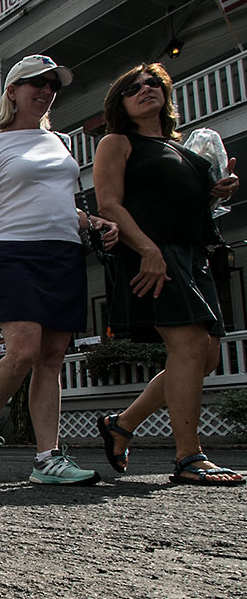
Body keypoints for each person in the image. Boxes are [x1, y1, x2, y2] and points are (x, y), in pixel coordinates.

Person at [0, 55, 119, 485]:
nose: (47, 90)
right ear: (12, 91)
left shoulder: (61, 141)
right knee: (24, 351)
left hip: (64, 253)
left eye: (53, 84)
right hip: (12, 252)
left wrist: (96, 223)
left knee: (51, 358)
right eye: (36, 82)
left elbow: (66, 203)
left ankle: (46, 459)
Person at [93, 62, 244, 486]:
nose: (145, 89)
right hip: (152, 253)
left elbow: (186, 203)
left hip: (193, 254)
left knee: (206, 356)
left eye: (153, 83)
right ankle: (189, 457)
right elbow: (108, 204)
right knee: (190, 345)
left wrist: (215, 189)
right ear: (120, 102)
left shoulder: (184, 150)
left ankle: (121, 424)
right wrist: (149, 251)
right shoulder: (118, 142)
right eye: (133, 87)